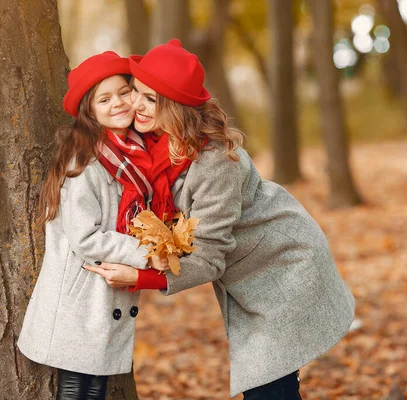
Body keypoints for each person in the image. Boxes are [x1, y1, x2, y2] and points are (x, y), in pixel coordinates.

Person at [84, 39, 356, 399]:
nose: (136, 104)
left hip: (283, 266)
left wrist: (141, 277)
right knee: (267, 380)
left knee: (268, 385)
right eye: (137, 92)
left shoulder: (214, 163)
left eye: (151, 99)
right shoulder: (152, 142)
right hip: (245, 270)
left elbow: (209, 255)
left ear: (176, 107)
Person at [17, 51, 183, 399]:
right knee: (79, 387)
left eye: (124, 92)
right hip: (80, 295)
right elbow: (85, 237)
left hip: (104, 292)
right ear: (90, 111)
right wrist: (146, 253)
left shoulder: (133, 153)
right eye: (105, 99)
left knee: (97, 387)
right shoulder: (85, 162)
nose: (119, 103)